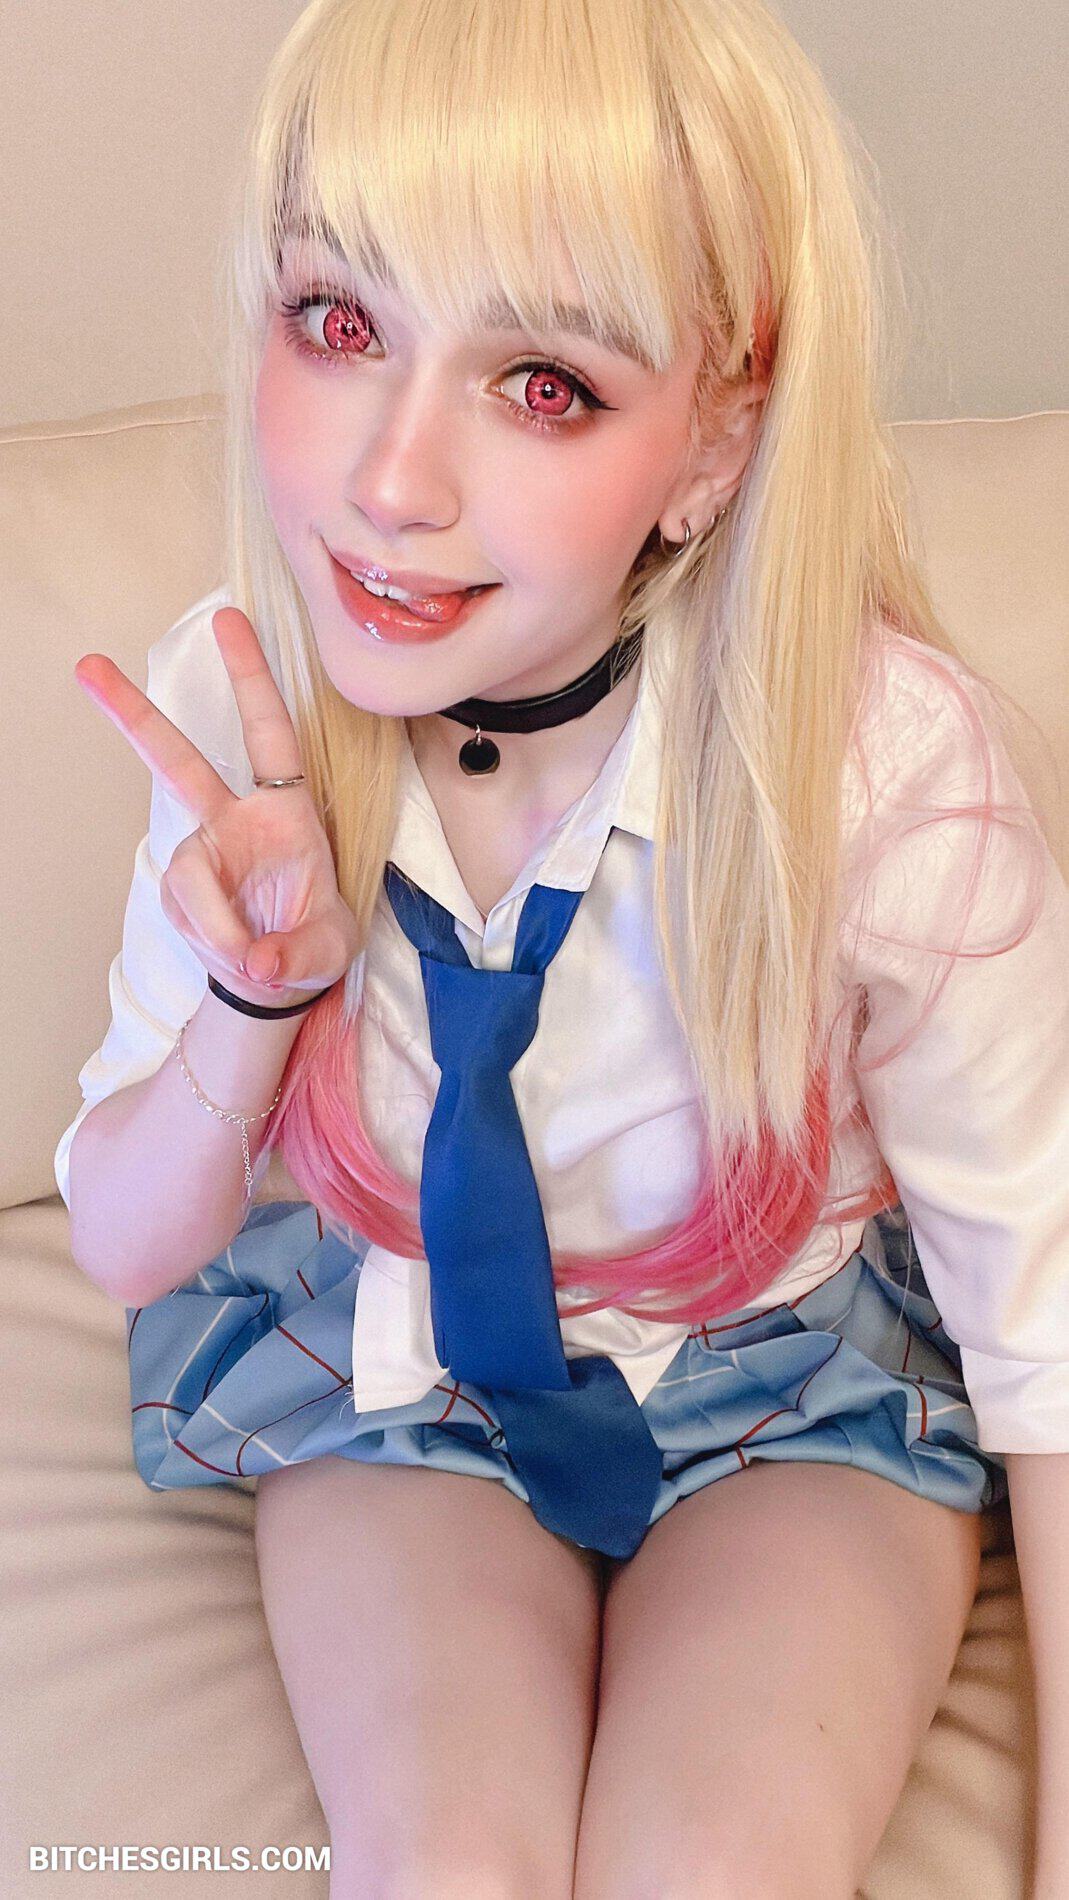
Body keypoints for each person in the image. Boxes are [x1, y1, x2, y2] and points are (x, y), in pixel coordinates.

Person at [57, 0, 1069, 1893]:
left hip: (794, 1388)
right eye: (337, 321)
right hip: (399, 1365)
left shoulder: (887, 769)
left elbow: (1049, 1316)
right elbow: (125, 1239)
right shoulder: (235, 705)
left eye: (541, 383)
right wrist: (255, 1000)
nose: (391, 482)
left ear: (716, 441)